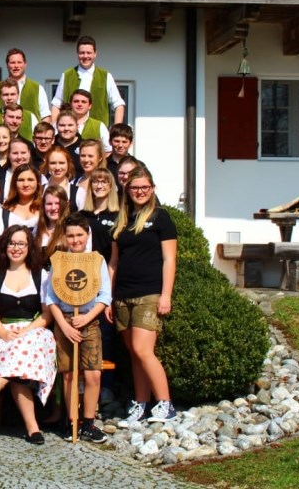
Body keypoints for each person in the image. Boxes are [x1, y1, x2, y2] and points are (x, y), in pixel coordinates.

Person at [107, 166, 178, 426]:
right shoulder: (122, 220)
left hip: (149, 293)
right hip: (123, 295)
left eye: (144, 188)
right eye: (135, 188)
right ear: (128, 190)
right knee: (133, 353)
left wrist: (166, 294)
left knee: (142, 349)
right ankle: (141, 404)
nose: (139, 192)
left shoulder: (161, 218)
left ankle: (165, 403)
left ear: (152, 189)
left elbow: (169, 259)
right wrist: (109, 297)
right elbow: (113, 262)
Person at [0, 225, 57, 444]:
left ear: (29, 246)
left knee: (22, 349)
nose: (16, 248)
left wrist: (26, 330)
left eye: (21, 243)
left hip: (33, 333)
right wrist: (3, 332)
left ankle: (0, 381)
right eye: (12, 243)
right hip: (3, 333)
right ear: (5, 246)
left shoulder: (40, 275)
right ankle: (32, 427)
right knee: (17, 360)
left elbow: (46, 314)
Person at [46, 213, 111, 443]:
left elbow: (104, 295)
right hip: (65, 321)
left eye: (79, 235)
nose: (75, 240)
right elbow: (50, 297)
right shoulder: (59, 260)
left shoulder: (97, 261)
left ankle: (88, 422)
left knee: (93, 373)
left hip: (89, 320)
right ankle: (71, 420)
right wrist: (63, 325)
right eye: (71, 236)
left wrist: (87, 318)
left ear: (87, 235)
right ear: (65, 236)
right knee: (69, 375)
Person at [50, 35, 126, 126]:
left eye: (89, 53)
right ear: (77, 53)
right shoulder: (67, 75)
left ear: (95, 53)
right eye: (82, 53)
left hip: (97, 133)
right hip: (70, 133)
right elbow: (56, 104)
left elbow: (119, 105)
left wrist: (115, 130)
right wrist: (55, 128)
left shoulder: (106, 76)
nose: (85, 56)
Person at [0, 48, 49, 123]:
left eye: (19, 62)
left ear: (25, 64)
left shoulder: (38, 88)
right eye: (12, 63)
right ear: (7, 65)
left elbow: (45, 117)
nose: (16, 66)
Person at [81, 167, 120, 265]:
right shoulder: (81, 215)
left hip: (108, 268)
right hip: (85, 269)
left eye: (104, 182)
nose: (99, 186)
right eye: (95, 182)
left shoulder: (118, 216)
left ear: (111, 186)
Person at [2, 162, 42, 234]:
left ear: (38, 182)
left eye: (30, 180)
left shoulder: (45, 207)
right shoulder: (5, 209)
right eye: (21, 180)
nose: (25, 184)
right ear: (14, 183)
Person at [36, 184, 70, 260]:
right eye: (49, 204)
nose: (53, 208)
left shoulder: (73, 228)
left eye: (57, 203)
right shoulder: (36, 229)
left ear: (66, 204)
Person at [72, 139, 107, 212]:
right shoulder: (74, 182)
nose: (86, 160)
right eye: (83, 156)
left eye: (90, 156)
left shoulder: (107, 181)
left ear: (100, 158)